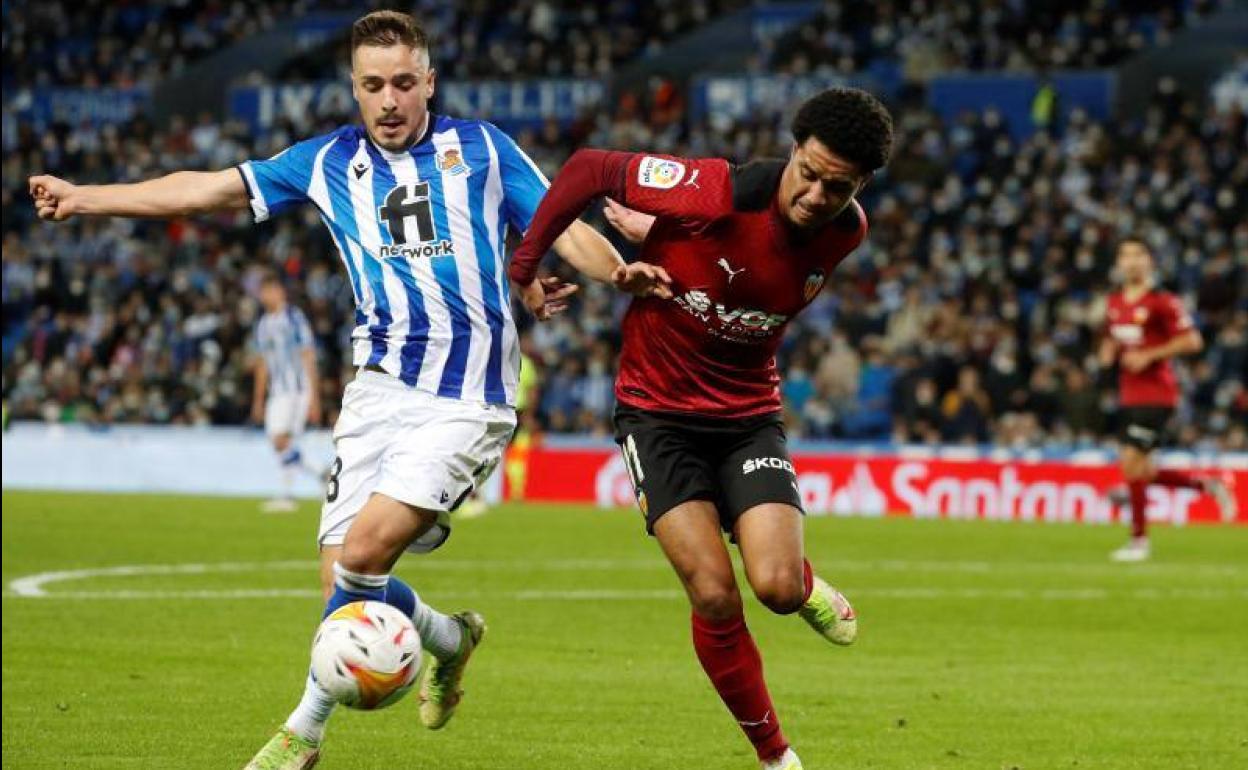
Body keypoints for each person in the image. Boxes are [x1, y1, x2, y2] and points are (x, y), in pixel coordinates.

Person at [29, 10, 667, 769]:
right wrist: (88, 197)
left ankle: (303, 731)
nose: (390, 100)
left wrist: (616, 271)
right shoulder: (326, 161)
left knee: (364, 556)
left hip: (465, 397)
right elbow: (209, 190)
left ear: (429, 81)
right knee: (343, 579)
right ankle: (450, 638)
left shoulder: (484, 150)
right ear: (354, 89)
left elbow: (565, 224)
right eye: (374, 86)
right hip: (374, 393)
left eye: (404, 82)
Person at [510, 87, 894, 770]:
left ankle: (804, 586)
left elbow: (747, 283)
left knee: (774, 587)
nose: (812, 195)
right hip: (656, 415)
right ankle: (777, 756)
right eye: (806, 172)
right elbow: (589, 169)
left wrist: (661, 237)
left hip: (747, 417)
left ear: (858, 187)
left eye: (835, 188)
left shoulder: (847, 232)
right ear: (792, 150)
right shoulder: (713, 190)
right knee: (716, 592)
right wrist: (525, 265)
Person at [1099, 237, 1236, 562]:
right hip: (1128, 394)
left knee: (1131, 464)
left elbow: (1192, 340)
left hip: (1158, 394)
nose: (1131, 261)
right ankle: (1208, 486)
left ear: (1149, 262)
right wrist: (1108, 352)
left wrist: (1151, 354)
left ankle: (1138, 542)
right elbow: (1113, 339)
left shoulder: (1163, 301)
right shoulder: (1115, 303)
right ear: (1118, 264)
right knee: (1140, 470)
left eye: (1138, 255)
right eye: (1125, 255)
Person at [250, 273, 324, 513]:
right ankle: (319, 474)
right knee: (282, 442)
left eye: (267, 290)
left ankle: (289, 493)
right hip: (277, 391)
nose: (263, 296)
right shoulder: (263, 324)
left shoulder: (293, 317)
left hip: (296, 388)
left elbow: (308, 354)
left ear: (279, 291)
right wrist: (258, 400)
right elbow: (262, 364)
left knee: (280, 440)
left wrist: (314, 395)